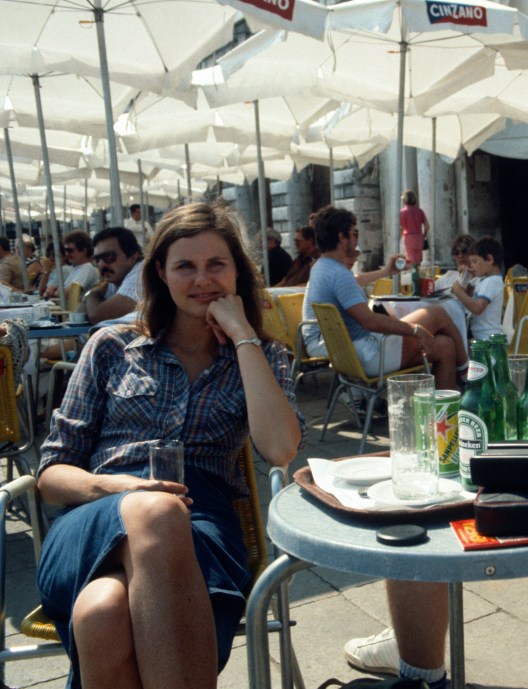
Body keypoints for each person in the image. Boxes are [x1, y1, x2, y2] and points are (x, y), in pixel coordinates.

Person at [35, 200, 305, 689]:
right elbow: (51, 475)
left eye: (216, 265)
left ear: (237, 273)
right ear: (160, 272)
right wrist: (113, 488)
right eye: (185, 266)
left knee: (100, 615)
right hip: (94, 515)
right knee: (154, 510)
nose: (202, 279)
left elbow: (281, 449)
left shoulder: (263, 355)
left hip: (202, 520)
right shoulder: (111, 346)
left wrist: (244, 335)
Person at [301, 207, 467, 390]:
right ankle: (468, 373)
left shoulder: (321, 268)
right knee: (436, 313)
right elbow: (369, 321)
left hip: (346, 353)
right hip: (369, 355)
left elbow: (354, 283)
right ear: (342, 237)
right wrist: (415, 330)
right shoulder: (339, 275)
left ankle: (442, 412)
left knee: (445, 346)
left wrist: (387, 272)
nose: (357, 239)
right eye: (354, 234)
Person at [82, 227, 143, 325]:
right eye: (97, 260)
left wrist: (92, 294)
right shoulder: (117, 276)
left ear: (132, 257)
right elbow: (78, 314)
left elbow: (97, 316)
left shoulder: (141, 274)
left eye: (109, 257)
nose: (101, 265)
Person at [451, 236, 504, 340]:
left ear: (489, 259)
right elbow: (469, 294)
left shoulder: (491, 282)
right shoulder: (483, 280)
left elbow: (477, 308)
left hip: (488, 338)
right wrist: (466, 277)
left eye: (475, 261)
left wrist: (459, 291)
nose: (472, 265)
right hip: (481, 335)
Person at [43, 231, 100, 299]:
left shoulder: (87, 268)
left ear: (83, 251)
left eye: (70, 250)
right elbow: (65, 290)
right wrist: (54, 289)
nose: (66, 254)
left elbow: (70, 292)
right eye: (65, 251)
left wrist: (53, 292)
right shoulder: (77, 269)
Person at [400, 189, 430, 266]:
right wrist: (424, 235)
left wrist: (399, 237)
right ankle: (418, 276)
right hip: (419, 237)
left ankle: (413, 277)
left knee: (410, 260)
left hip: (409, 237)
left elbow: (401, 227)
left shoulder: (403, 212)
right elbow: (427, 226)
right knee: (418, 261)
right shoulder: (420, 211)